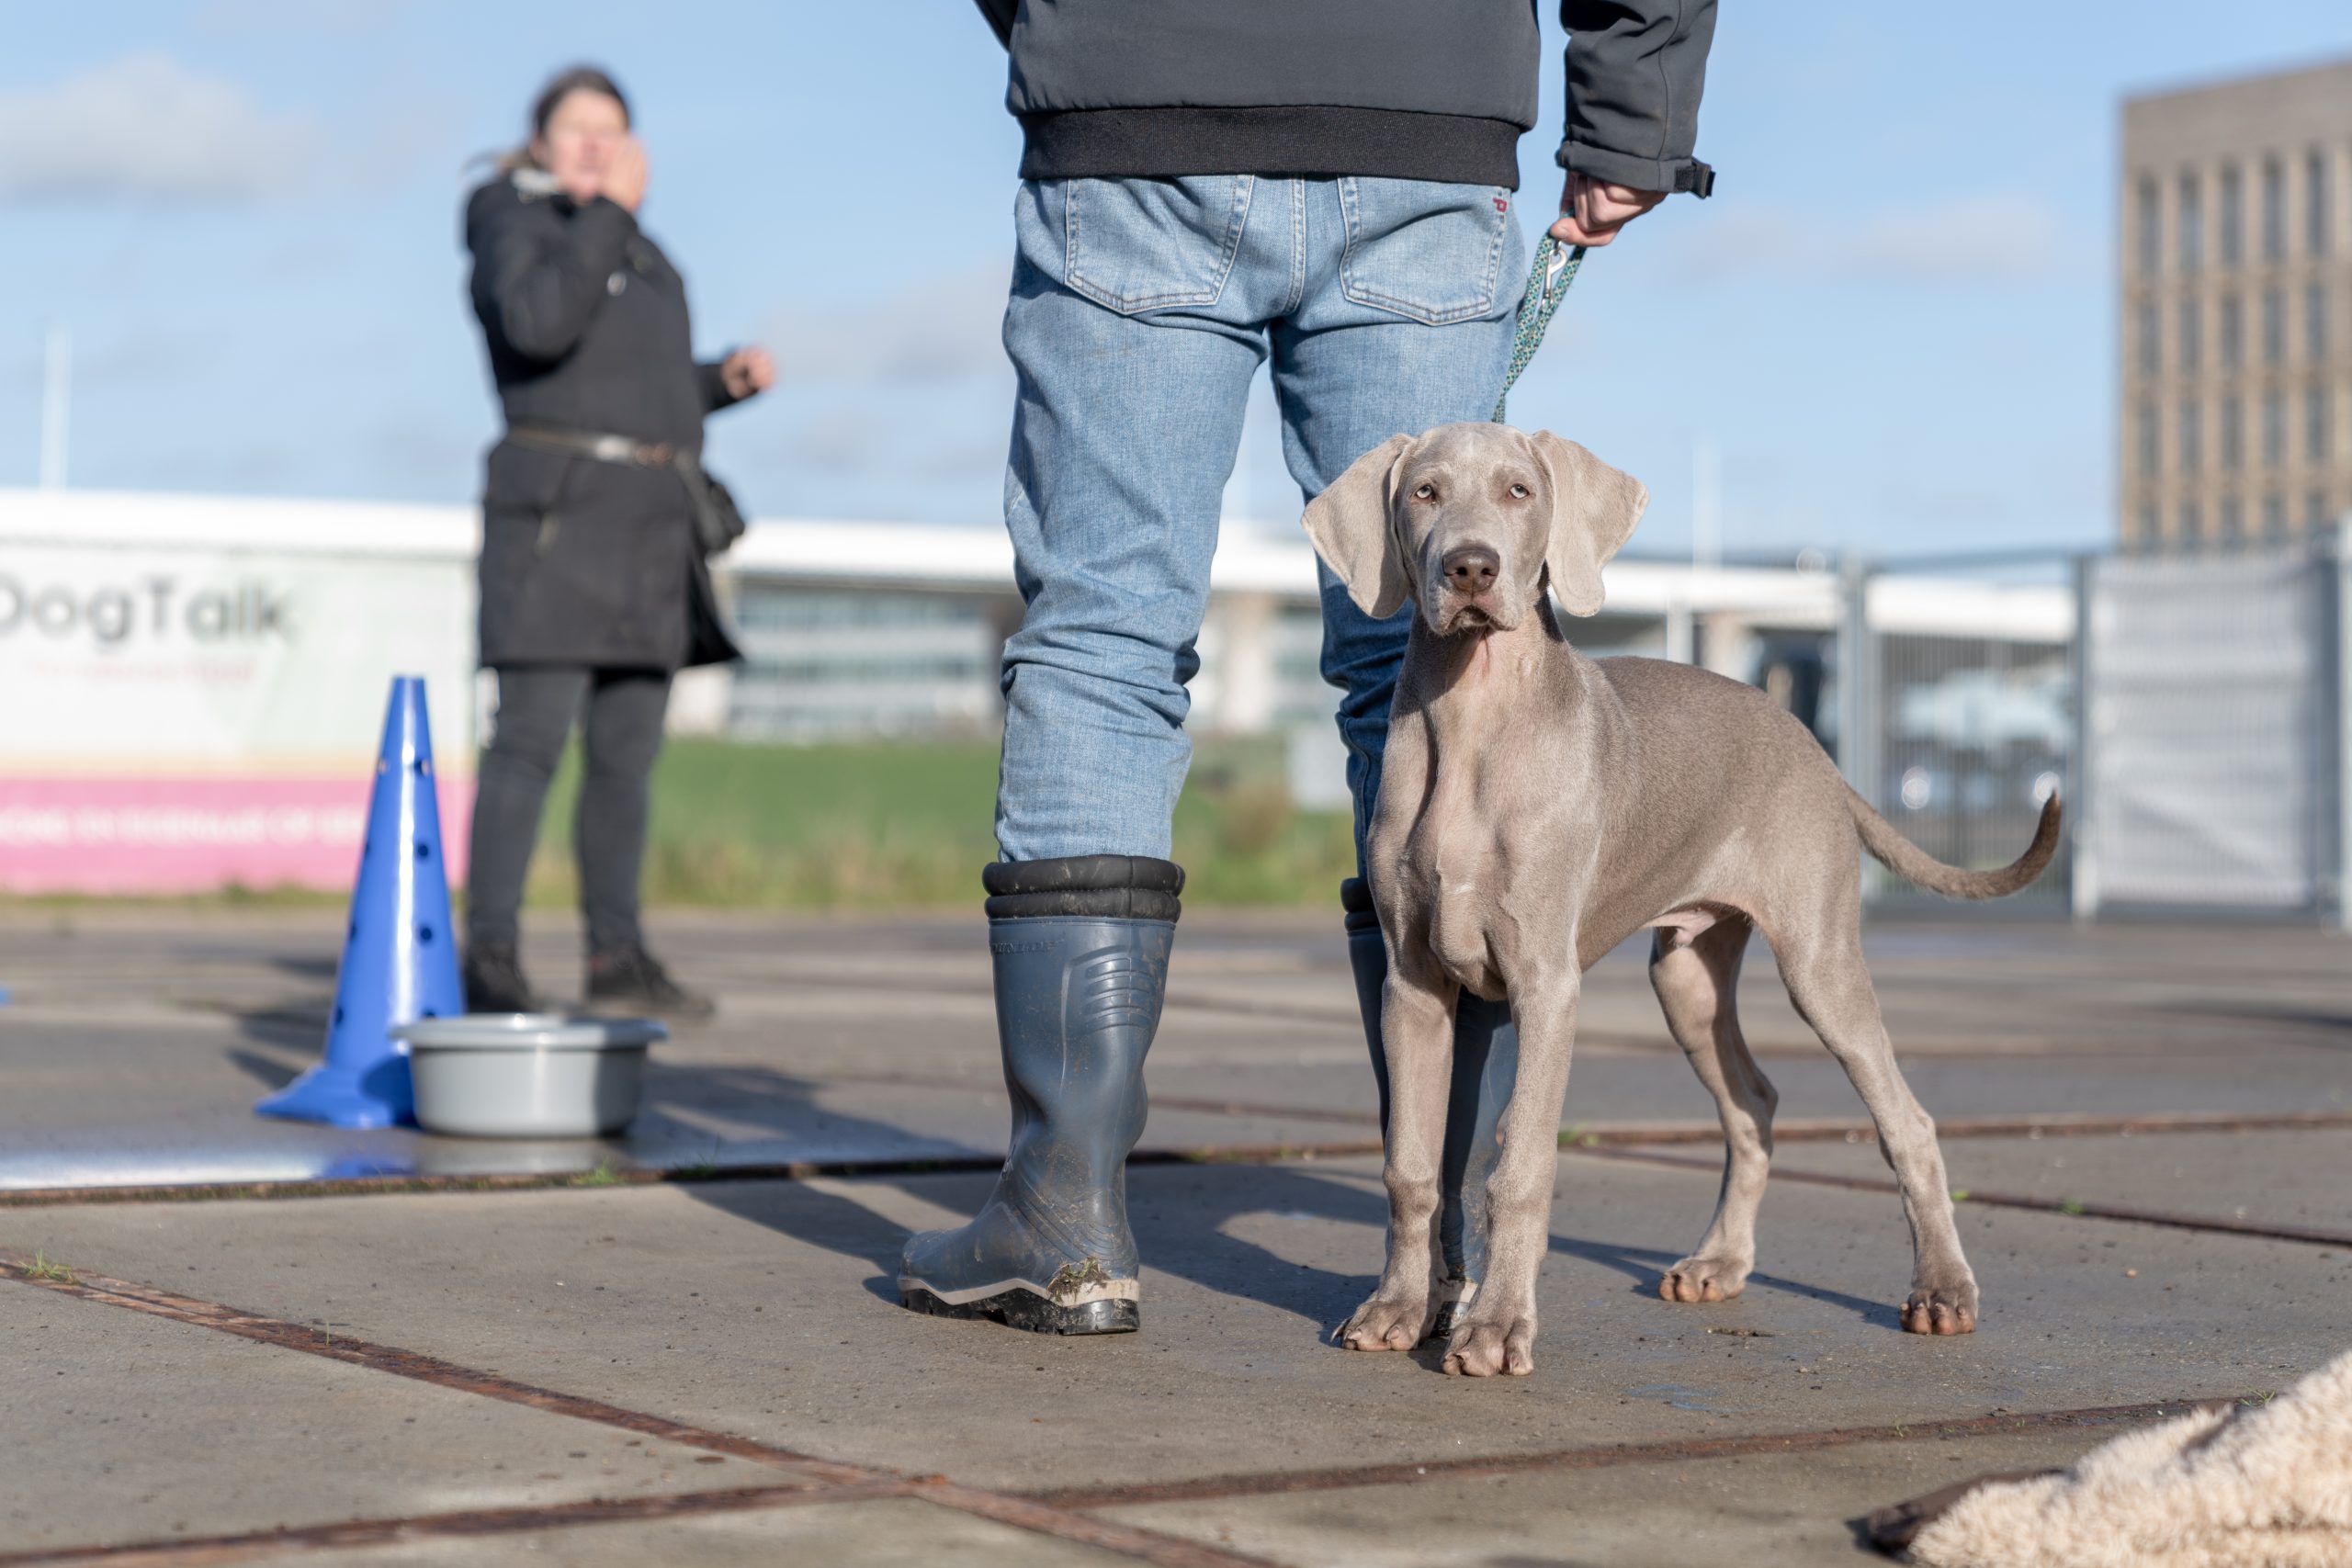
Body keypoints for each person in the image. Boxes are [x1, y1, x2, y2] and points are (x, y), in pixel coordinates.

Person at [898, 2, 1717, 1336]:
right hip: (1423, 109)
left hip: (1135, 101)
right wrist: (1631, 112)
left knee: (1103, 641)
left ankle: (1064, 1221)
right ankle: (1440, 1239)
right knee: (1425, 640)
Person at [458, 66, 774, 1020]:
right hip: (558, 519)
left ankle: (616, 958)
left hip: (648, 531)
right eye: (577, 126)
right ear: (539, 141)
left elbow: (630, 379)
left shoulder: (639, 249)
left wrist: (718, 382)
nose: (596, 143)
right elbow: (537, 325)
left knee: (628, 758)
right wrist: (605, 218)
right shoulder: (508, 216)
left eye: (613, 128)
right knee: (528, 747)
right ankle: (490, 959)